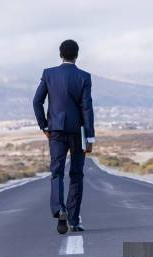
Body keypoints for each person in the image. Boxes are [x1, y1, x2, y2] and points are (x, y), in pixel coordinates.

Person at [33, 39, 95, 234]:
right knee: (76, 174)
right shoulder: (84, 77)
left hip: (56, 131)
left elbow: (37, 102)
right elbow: (87, 108)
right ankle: (74, 220)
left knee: (57, 171)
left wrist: (44, 125)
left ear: (60, 54)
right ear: (77, 55)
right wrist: (90, 138)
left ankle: (58, 208)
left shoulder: (49, 74)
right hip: (78, 132)